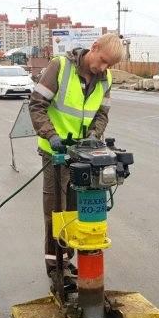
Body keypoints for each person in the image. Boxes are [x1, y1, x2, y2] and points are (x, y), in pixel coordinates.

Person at [29, 33, 123, 288]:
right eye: (102, 61)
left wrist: (94, 135)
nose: (104, 68)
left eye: (109, 65)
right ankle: (55, 267)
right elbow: (36, 105)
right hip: (55, 152)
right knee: (55, 210)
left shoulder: (106, 79)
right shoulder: (60, 67)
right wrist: (51, 135)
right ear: (94, 48)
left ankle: (68, 260)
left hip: (83, 155)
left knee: (75, 209)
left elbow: (102, 114)